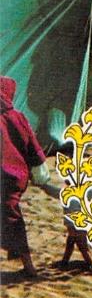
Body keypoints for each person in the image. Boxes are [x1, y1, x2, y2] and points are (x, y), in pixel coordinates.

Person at [1, 77, 59, 278]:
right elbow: (33, 147)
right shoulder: (17, 118)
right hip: (13, 178)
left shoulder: (14, 118)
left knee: (11, 219)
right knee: (12, 218)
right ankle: (26, 264)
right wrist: (41, 177)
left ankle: (28, 266)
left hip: (9, 178)